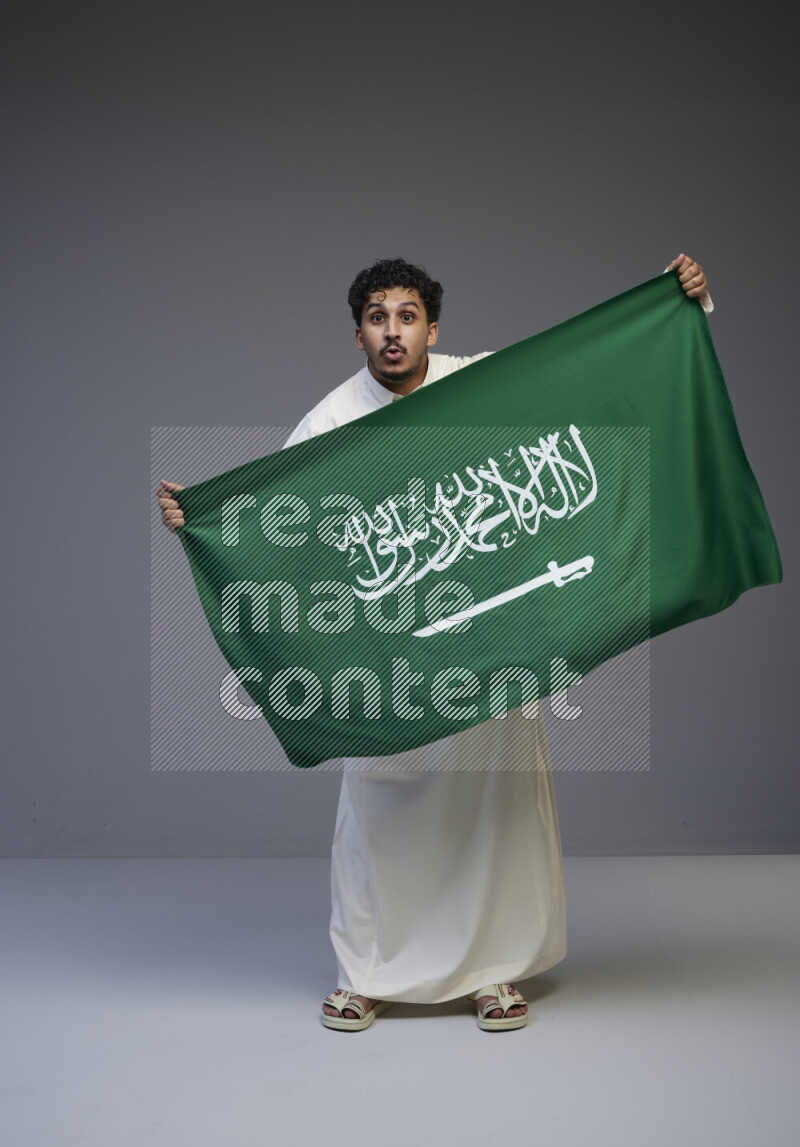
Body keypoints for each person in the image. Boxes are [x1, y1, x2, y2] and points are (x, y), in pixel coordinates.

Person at [156, 253, 711, 1031]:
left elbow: (580, 384)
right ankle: (367, 972)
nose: (393, 331)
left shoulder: (478, 384)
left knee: (499, 803)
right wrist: (205, 518)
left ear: (432, 327)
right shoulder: (329, 425)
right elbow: (275, 521)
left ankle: (496, 971)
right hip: (395, 655)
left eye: (407, 315)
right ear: (358, 333)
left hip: (492, 640)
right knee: (379, 809)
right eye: (378, 317)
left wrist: (674, 307)